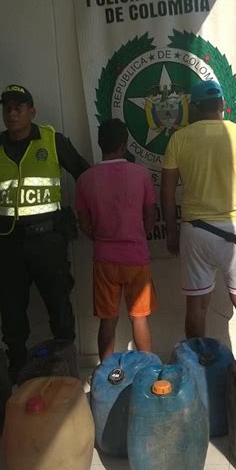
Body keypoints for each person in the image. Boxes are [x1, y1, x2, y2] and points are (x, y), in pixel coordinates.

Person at [0, 84, 89, 381]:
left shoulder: (53, 141)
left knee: (59, 306)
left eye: (18, 107)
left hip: (48, 241)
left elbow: (85, 175)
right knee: (11, 310)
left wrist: (85, 216)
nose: (12, 113)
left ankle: (65, 373)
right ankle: (18, 373)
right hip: (8, 246)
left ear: (32, 112)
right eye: (7, 108)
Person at [161, 79, 236, 357]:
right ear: (222, 105)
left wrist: (171, 231)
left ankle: (198, 367)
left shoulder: (179, 138)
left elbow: (166, 190)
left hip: (195, 231)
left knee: (197, 305)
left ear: (194, 108)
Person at [75, 118, 158, 360]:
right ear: (125, 145)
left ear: (100, 144)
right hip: (137, 257)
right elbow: (150, 215)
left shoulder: (85, 179)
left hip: (104, 259)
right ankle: (149, 370)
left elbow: (83, 224)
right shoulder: (141, 174)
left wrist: (101, 239)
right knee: (139, 318)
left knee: (108, 320)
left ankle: (104, 372)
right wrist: (140, 236)